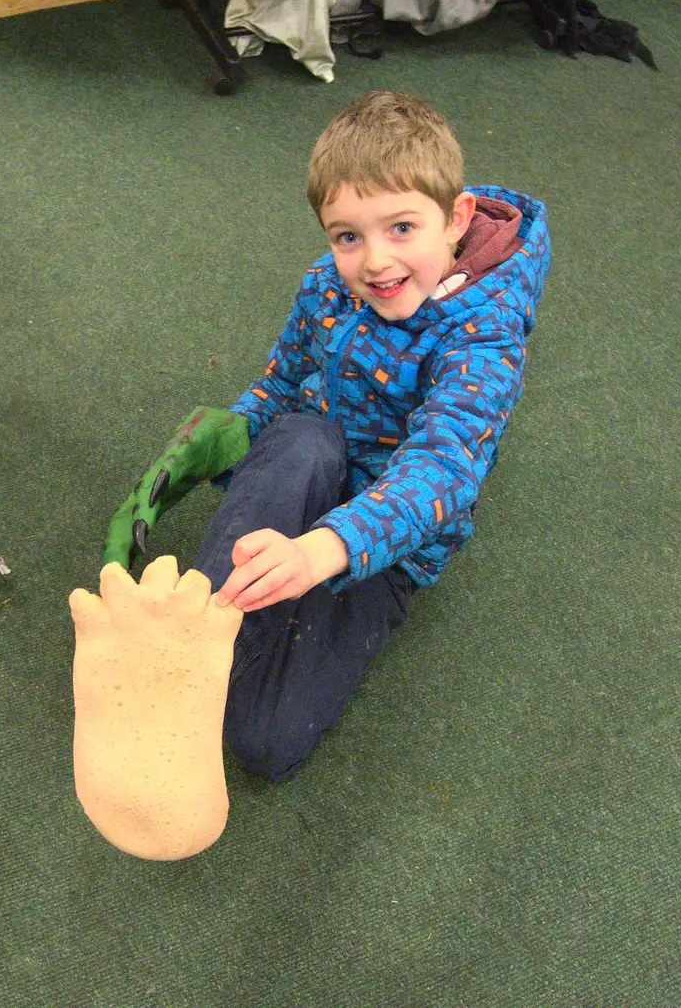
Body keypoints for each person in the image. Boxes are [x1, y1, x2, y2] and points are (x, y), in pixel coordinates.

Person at [104, 91, 551, 781]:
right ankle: (191, 643)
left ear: (456, 218)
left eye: (401, 227)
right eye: (348, 236)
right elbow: (280, 385)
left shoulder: (485, 330)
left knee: (265, 744)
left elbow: (444, 469)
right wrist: (217, 438)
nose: (374, 261)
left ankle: (242, 643)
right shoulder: (325, 285)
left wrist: (329, 547)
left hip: (391, 541)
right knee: (303, 437)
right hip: (314, 460)